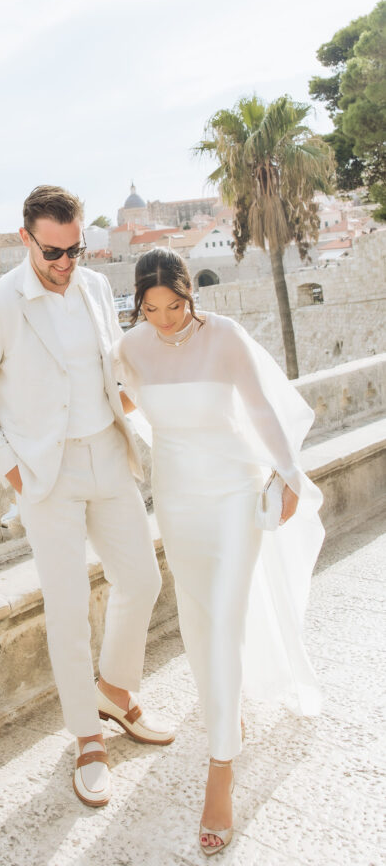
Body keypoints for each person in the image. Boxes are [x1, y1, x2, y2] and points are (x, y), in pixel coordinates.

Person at [0, 186, 174, 808]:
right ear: (27, 239)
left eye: (76, 248)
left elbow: (111, 371)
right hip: (45, 476)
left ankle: (116, 693)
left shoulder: (97, 289)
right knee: (69, 608)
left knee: (143, 581)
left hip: (108, 451)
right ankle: (87, 737)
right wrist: (13, 474)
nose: (67, 262)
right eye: (54, 251)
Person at [117, 248, 324, 856]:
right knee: (199, 623)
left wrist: (286, 473)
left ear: (190, 293)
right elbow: (115, 403)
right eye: (151, 309)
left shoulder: (225, 336)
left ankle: (220, 773)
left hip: (235, 491)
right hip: (177, 499)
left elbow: (261, 408)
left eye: (174, 306)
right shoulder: (130, 349)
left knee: (226, 619)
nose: (165, 320)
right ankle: (223, 710)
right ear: (139, 304)